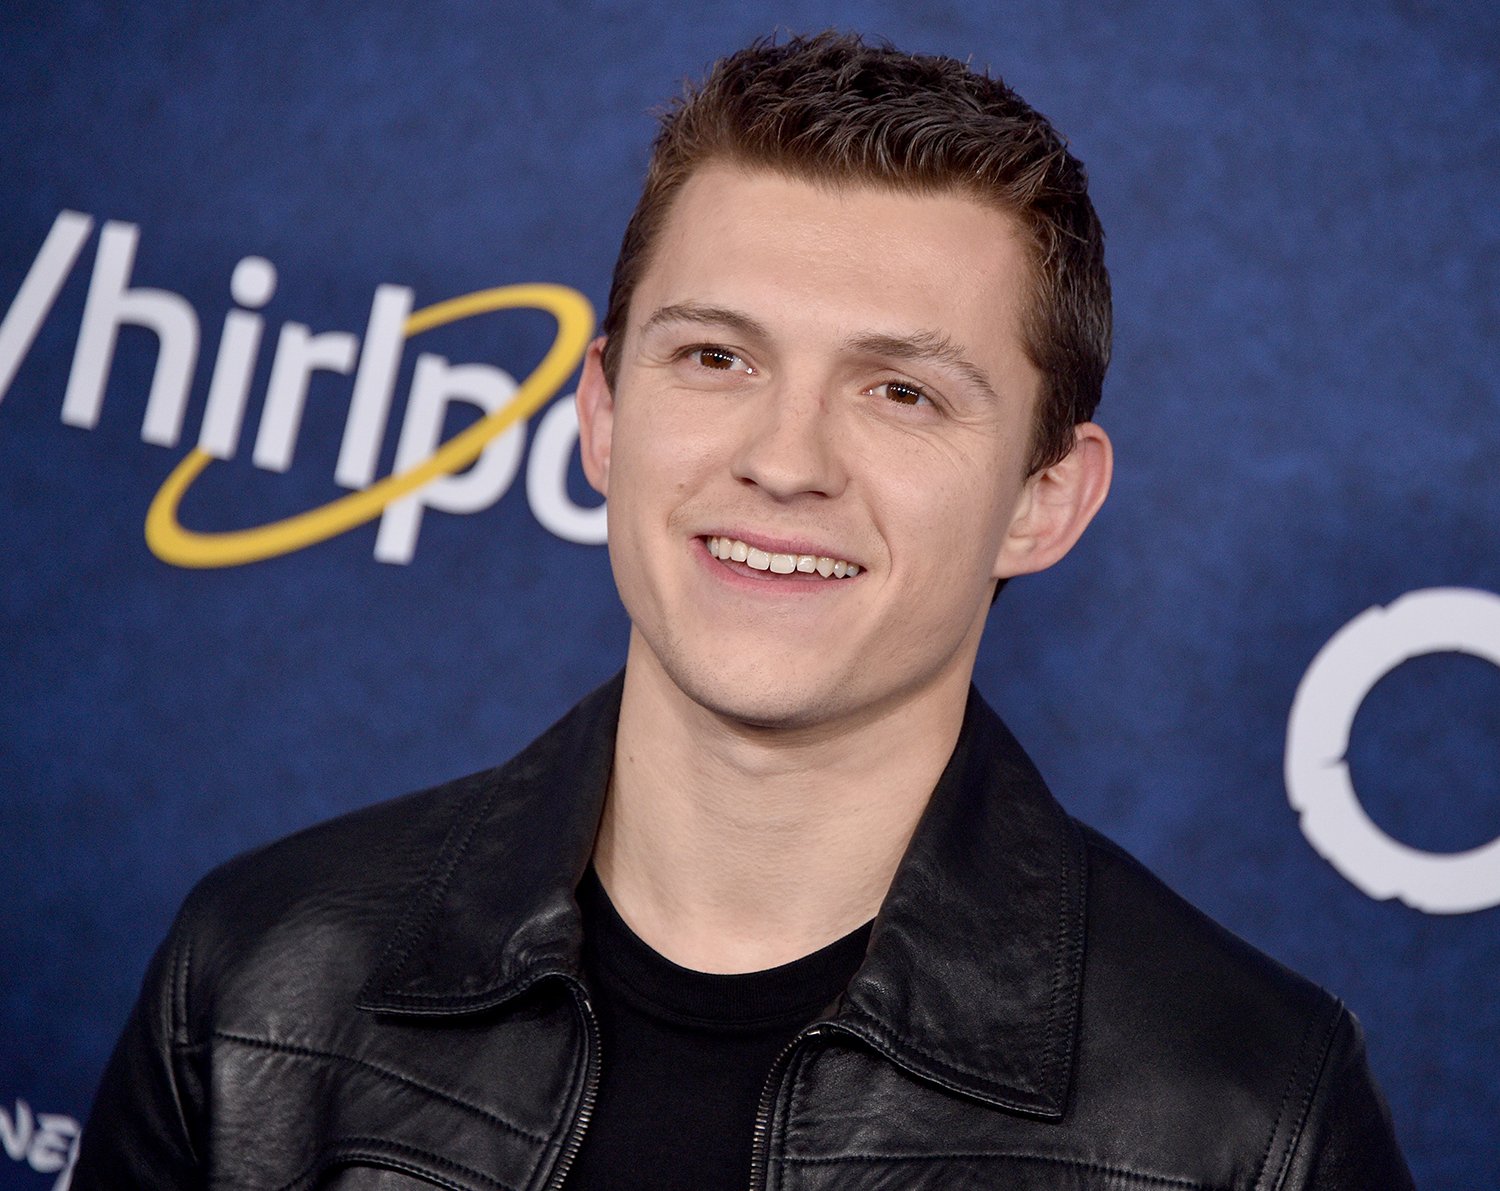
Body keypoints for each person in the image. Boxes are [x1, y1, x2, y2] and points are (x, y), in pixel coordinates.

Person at [75, 31, 1413, 1190]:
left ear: (1044, 499)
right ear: (604, 414)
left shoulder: (1247, 1121)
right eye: (717, 356)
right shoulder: (259, 982)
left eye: (901, 392)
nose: (784, 460)